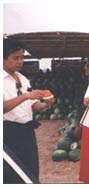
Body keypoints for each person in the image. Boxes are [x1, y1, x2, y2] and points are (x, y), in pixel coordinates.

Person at [3, 38, 55, 183]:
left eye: (22, 57)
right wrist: (26, 96)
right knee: (12, 176)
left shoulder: (23, 79)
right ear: (3, 58)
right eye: (15, 58)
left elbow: (33, 106)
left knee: (30, 172)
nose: (20, 61)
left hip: (27, 132)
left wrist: (46, 104)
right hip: (7, 134)